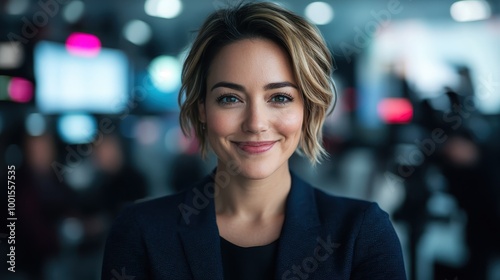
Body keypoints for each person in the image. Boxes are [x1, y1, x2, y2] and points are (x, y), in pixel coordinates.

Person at [101, 2, 406, 279]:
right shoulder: (141, 231)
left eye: (280, 97)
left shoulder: (362, 233)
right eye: (230, 98)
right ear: (202, 110)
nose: (256, 123)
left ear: (308, 108)